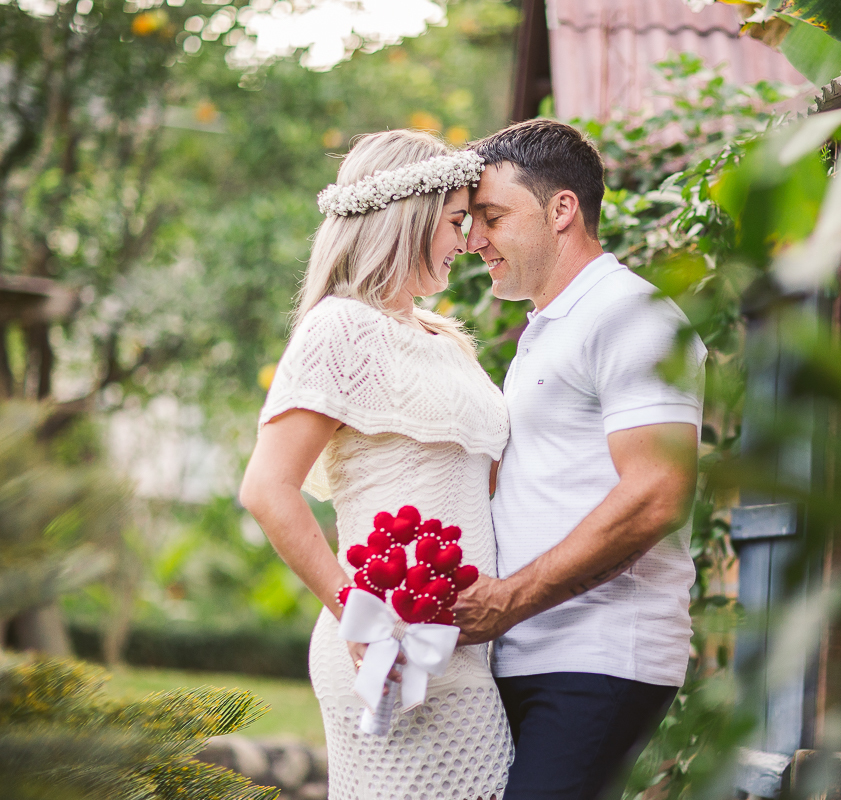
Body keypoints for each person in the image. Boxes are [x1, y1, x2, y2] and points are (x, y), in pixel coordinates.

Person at [240, 129, 513, 800]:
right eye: (456, 221)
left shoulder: (445, 340)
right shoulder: (339, 328)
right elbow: (267, 488)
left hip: (468, 650)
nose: (466, 242)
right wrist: (355, 614)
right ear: (409, 218)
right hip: (386, 649)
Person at [455, 119, 706, 800]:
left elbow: (658, 492)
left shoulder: (631, 314)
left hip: (600, 655)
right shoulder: (548, 327)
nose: (474, 239)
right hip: (532, 652)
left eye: (492, 217)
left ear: (562, 208)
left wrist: (508, 600)